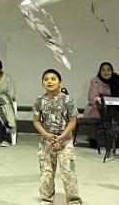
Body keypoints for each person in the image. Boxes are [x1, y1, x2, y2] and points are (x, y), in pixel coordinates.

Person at [32, 69, 81, 205]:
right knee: (46, 172)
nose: (49, 81)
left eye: (53, 79)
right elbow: (36, 121)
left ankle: (74, 200)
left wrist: (61, 136)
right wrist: (46, 135)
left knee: (68, 171)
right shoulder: (40, 101)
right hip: (47, 141)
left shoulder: (68, 100)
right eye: (46, 79)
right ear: (42, 83)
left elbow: (72, 121)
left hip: (64, 141)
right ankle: (46, 199)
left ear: (60, 82)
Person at [83, 62, 119, 150]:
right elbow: (91, 98)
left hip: (115, 106)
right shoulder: (95, 80)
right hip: (99, 106)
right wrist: (101, 102)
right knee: (95, 113)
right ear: (100, 71)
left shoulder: (118, 80)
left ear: (112, 71)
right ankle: (93, 138)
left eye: (108, 70)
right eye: (103, 70)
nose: (106, 72)